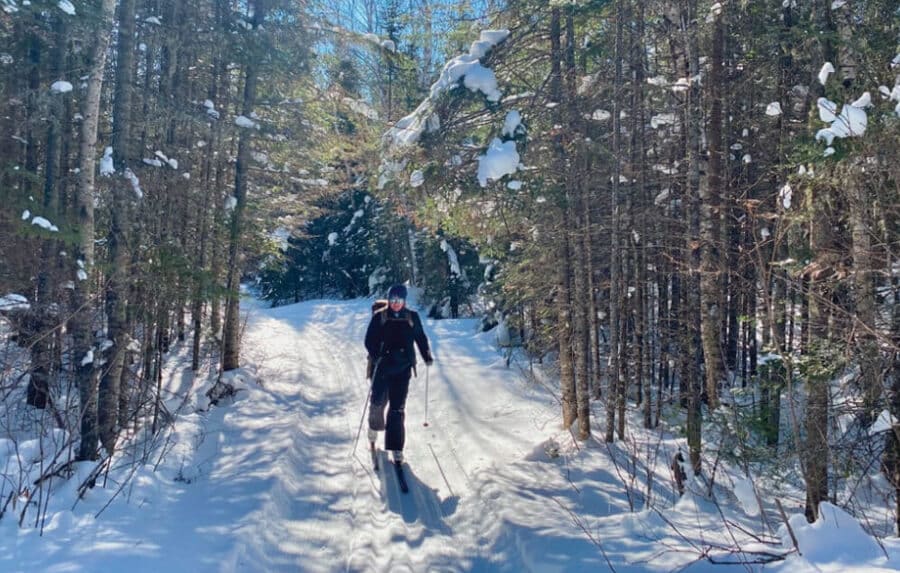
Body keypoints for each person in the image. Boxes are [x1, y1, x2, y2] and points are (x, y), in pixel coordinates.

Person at [365, 284, 433, 466]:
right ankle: (373, 427)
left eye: (399, 300)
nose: (396, 303)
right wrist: (376, 355)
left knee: (397, 408)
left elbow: (420, 337)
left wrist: (426, 355)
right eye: (393, 300)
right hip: (382, 368)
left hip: (403, 369)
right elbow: (369, 340)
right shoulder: (380, 317)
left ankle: (396, 447)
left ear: (404, 301)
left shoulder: (412, 317)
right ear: (389, 300)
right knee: (378, 401)